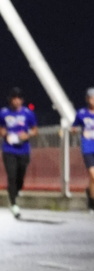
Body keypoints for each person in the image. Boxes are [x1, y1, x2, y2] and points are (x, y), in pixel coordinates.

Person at [0, 87, 38, 219]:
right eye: (14, 98)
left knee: (20, 176)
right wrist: (4, 133)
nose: (16, 101)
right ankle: (14, 204)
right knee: (11, 176)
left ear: (22, 100)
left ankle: (16, 191)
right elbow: (1, 127)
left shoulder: (28, 113)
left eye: (18, 98)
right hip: (9, 149)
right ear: (10, 100)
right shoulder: (4, 113)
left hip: (23, 149)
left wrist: (27, 134)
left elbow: (35, 130)